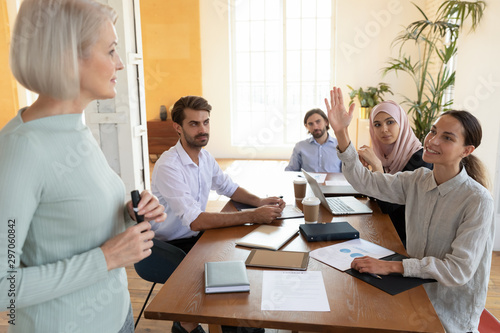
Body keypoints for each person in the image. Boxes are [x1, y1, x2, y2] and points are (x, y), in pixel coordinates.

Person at [0, 1, 166, 332]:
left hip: (119, 317)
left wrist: (129, 212)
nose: (120, 64)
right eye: (111, 51)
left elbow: (68, 214)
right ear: (67, 58)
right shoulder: (21, 149)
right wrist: (106, 258)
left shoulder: (74, 126)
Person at [325, 87, 494, 332]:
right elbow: (365, 181)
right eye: (433, 131)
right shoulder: (417, 180)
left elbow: (457, 270)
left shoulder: (478, 200)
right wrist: (341, 132)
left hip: (448, 314)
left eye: (447, 137)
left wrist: (391, 266)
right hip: (409, 291)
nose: (433, 140)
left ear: (467, 150)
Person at [151, 95, 284, 333]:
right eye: (194, 124)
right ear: (178, 127)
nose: (203, 129)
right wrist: (253, 215)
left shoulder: (204, 156)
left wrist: (259, 201)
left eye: (206, 122)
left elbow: (228, 187)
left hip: (196, 237)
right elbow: (195, 221)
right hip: (171, 245)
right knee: (231, 282)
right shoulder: (168, 165)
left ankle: (207, 323)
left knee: (240, 267)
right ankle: (188, 322)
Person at [357, 101, 432, 246]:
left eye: (390, 122)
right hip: (388, 227)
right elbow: (373, 195)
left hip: (408, 238)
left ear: (402, 124)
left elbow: (388, 206)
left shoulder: (420, 158)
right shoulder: (385, 155)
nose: (384, 129)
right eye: (377, 125)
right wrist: (366, 168)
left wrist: (377, 166)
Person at [285, 108, 342, 172]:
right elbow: (291, 170)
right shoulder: (300, 146)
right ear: (306, 126)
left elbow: (347, 174)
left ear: (326, 122)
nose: (315, 127)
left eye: (318, 122)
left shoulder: (340, 145)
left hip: (334, 182)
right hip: (307, 182)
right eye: (310, 124)